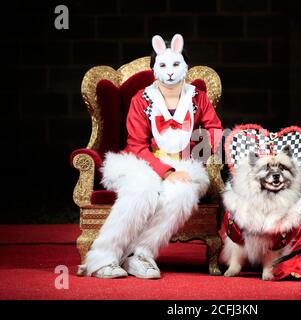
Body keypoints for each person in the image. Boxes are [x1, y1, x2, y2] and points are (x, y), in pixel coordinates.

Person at [78, 34, 223, 279]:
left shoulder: (197, 98)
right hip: (142, 161)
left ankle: (140, 255)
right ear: (154, 69)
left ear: (185, 66)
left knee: (184, 192)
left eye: (176, 64)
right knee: (143, 188)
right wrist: (166, 172)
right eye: (163, 66)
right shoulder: (142, 100)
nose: (169, 72)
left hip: (183, 163)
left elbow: (215, 130)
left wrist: (205, 155)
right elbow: (136, 145)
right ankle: (102, 257)